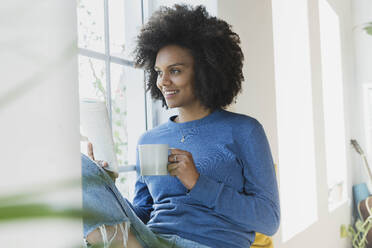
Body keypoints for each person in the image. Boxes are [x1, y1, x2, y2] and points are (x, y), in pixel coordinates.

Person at [82, 4, 280, 248]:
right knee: (81, 168)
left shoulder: (243, 131)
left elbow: (269, 220)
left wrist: (198, 182)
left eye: (174, 71)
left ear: (206, 70)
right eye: (158, 72)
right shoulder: (151, 140)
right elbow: (144, 213)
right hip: (153, 239)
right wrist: (105, 187)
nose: (163, 81)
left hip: (211, 244)